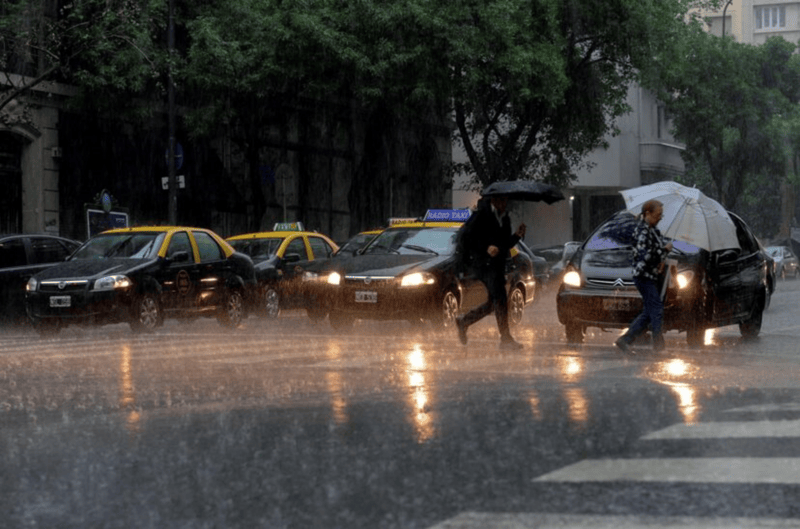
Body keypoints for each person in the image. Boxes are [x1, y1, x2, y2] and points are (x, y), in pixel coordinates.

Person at [455, 195, 526, 350]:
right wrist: (485, 248)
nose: (505, 204)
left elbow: (504, 244)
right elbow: (468, 238)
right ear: (494, 201)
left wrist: (517, 236)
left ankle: (464, 321)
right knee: (500, 298)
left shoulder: (505, 218)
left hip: (497, 266)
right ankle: (506, 339)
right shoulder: (481, 215)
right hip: (484, 265)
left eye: (506, 201)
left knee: (493, 303)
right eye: (502, 200)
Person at [615, 199, 673, 353]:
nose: (660, 217)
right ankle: (658, 346)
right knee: (656, 309)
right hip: (643, 276)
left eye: (661, 215)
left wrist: (661, 259)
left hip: (651, 276)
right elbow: (645, 256)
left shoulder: (653, 230)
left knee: (649, 312)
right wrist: (664, 251)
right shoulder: (642, 231)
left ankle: (625, 340)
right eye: (658, 214)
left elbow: (653, 254)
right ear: (648, 213)